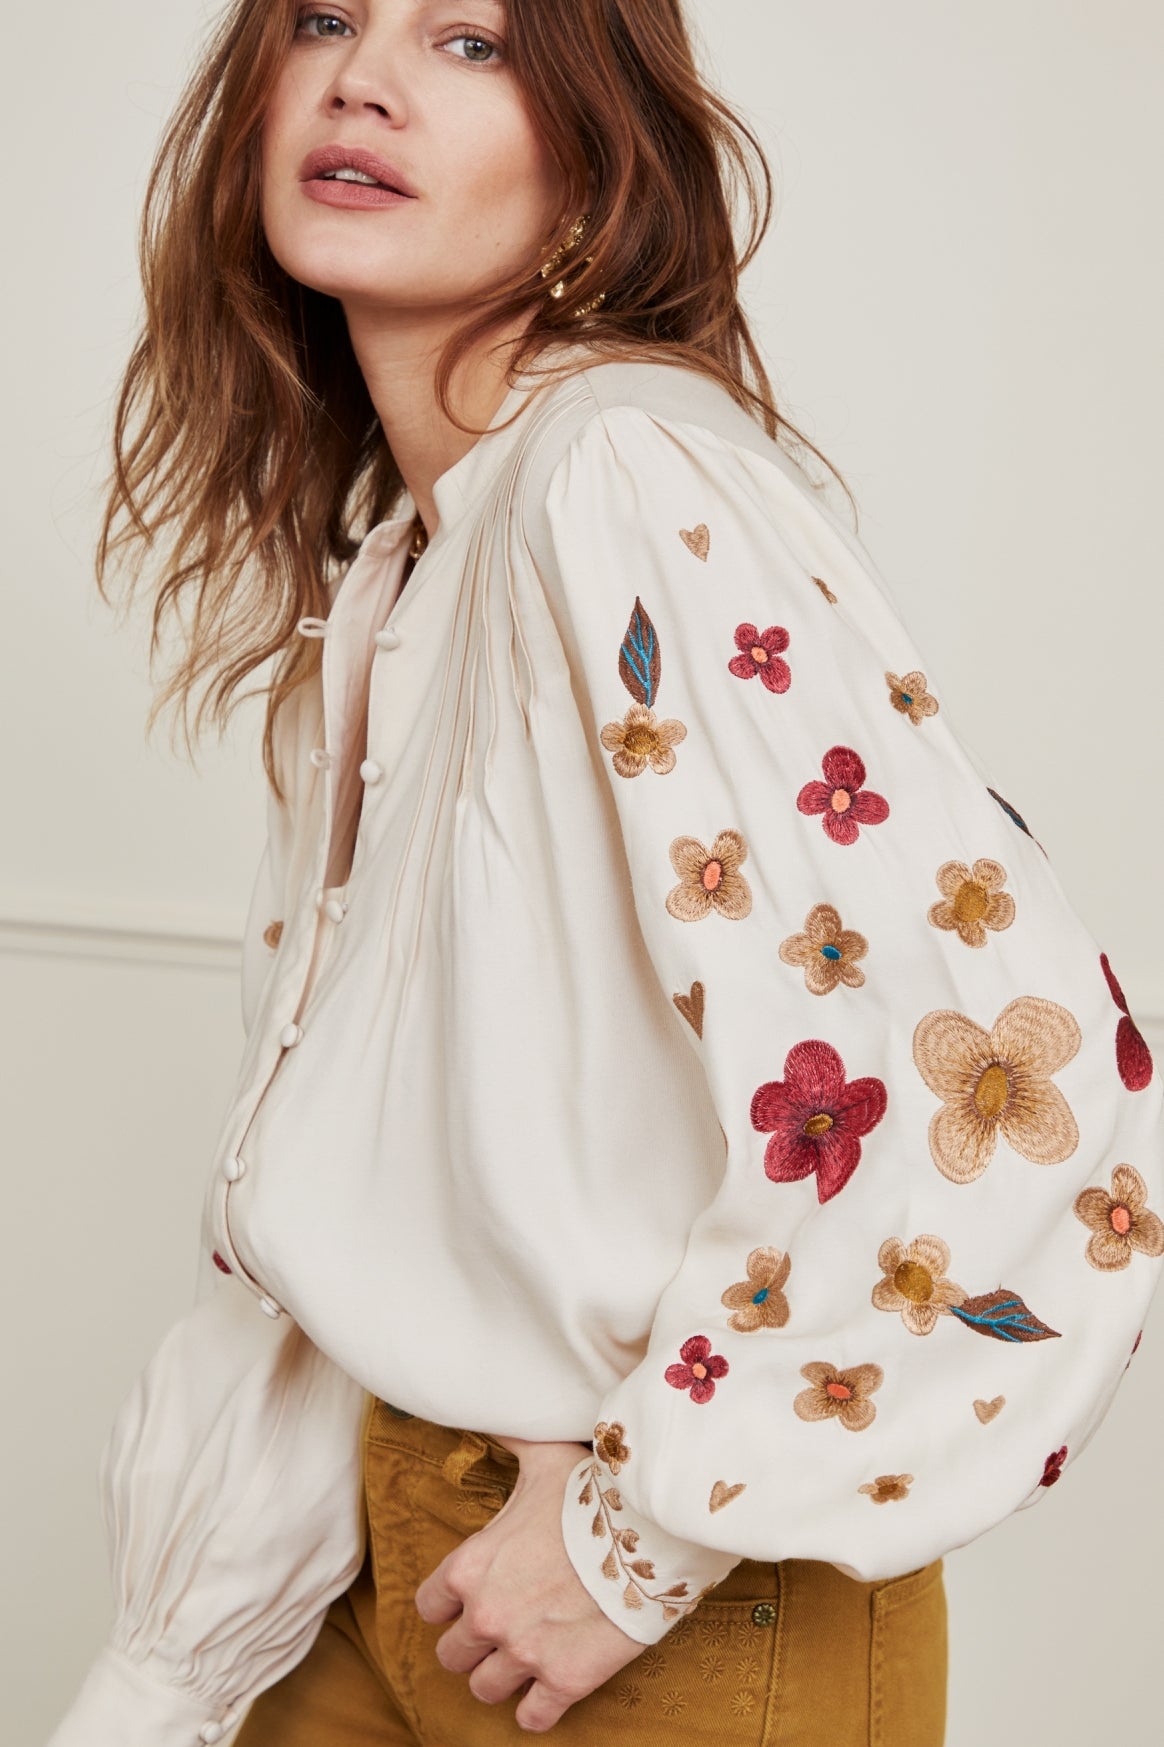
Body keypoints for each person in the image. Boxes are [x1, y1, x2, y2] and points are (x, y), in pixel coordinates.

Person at [46, 1, 1164, 1744]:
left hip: (664, 1594)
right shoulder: (410, 554)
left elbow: (1014, 1067)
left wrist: (643, 1537)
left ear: (592, 159)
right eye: (325, 18)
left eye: (470, 42)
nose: (363, 80)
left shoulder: (622, 472)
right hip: (377, 1529)